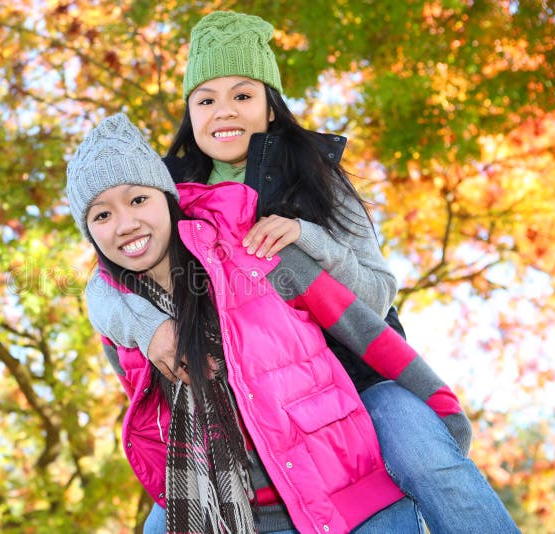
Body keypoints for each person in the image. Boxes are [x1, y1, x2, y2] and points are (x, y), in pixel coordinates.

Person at [83, 11, 520, 534]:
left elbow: (377, 295)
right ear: (189, 113)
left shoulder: (319, 177)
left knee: (426, 452)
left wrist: (307, 239)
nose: (225, 112)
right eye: (206, 99)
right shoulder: (168, 197)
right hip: (257, 397)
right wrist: (146, 328)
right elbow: (104, 281)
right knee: (166, 519)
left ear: (271, 105)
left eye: (243, 95)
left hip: (359, 379)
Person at [67, 112, 439, 533]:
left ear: (167, 199)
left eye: (138, 200)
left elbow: (362, 327)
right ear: (90, 233)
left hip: (346, 492)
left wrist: (438, 402)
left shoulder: (252, 253)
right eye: (101, 215)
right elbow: (159, 423)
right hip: (239, 513)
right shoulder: (121, 329)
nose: (126, 223)